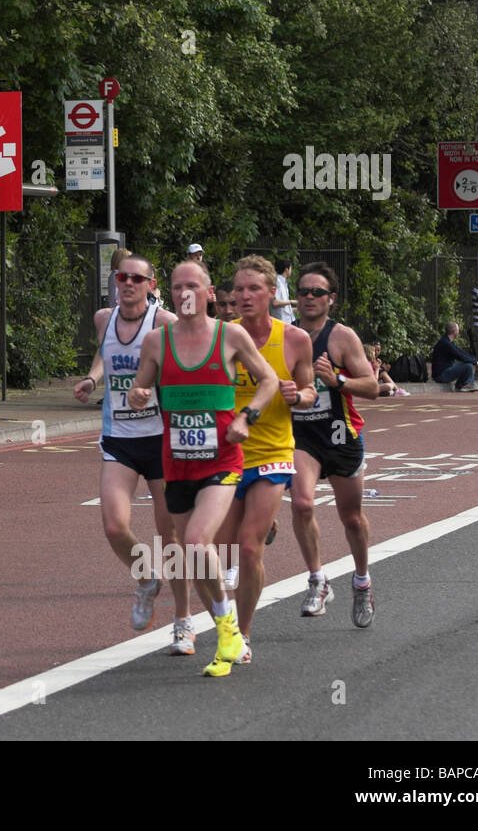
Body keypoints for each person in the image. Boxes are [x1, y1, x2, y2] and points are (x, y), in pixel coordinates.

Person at [127, 258, 279, 677]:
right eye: (177, 287)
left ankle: (228, 630)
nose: (185, 293)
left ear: (210, 293)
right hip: (176, 463)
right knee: (193, 557)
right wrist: (138, 396)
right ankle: (227, 628)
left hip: (222, 460)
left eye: (193, 285)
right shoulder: (157, 342)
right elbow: (140, 387)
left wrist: (247, 418)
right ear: (170, 294)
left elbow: (267, 380)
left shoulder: (230, 336)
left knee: (195, 542)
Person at [72, 255, 193, 651]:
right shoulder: (103, 318)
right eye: (122, 277)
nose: (128, 284)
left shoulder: (164, 323)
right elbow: (106, 355)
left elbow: (185, 367)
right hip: (119, 437)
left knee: (170, 533)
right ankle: (145, 578)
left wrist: (152, 388)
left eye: (136, 279)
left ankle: (183, 620)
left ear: (151, 284)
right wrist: (92, 379)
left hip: (159, 438)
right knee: (113, 526)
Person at [215, 254, 316, 666]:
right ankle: (221, 620)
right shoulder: (221, 335)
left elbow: (310, 391)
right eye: (238, 289)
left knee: (248, 547)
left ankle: (242, 633)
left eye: (253, 288)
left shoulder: (294, 339)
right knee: (215, 551)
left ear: (271, 293)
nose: (244, 296)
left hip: (273, 452)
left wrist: (300, 396)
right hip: (228, 454)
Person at [288, 263, 380, 628]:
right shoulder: (286, 336)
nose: (309, 298)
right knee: (302, 503)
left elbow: (372, 388)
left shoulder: (342, 337)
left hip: (341, 435)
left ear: (331, 299)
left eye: (317, 292)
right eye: (303, 291)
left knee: (352, 519)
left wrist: (337, 379)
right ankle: (317, 579)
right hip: (302, 437)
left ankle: (362, 581)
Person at [431, 322, 478, 391]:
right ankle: (466, 384)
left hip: (444, 371)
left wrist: (473, 360)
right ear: (454, 332)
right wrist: (474, 362)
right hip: (441, 375)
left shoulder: (447, 341)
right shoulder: (446, 343)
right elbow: (459, 355)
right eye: (458, 330)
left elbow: (460, 352)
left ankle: (461, 384)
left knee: (467, 363)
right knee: (468, 366)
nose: (459, 332)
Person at [272, 258, 295, 323]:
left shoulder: (283, 282)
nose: (291, 270)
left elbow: (285, 309)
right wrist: (293, 302)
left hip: (288, 322)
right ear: (286, 269)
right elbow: (275, 303)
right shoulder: (277, 282)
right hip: (281, 323)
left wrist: (297, 309)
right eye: (291, 268)